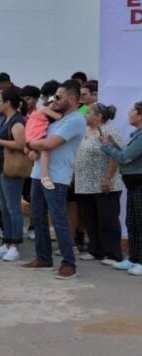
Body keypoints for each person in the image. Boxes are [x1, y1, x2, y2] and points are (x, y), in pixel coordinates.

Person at [22, 80, 88, 280]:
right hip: (37, 174)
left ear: (72, 98)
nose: (54, 100)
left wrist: (30, 144)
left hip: (57, 177)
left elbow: (50, 144)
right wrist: (32, 146)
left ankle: (69, 263)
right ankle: (43, 257)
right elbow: (39, 141)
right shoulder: (56, 120)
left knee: (59, 220)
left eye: (58, 97)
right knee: (38, 218)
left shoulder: (75, 120)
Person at [73, 102, 125, 264]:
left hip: (104, 183)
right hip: (85, 183)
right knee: (90, 218)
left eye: (88, 112)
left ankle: (113, 253)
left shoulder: (109, 131)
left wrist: (107, 178)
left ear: (99, 116)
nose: (85, 114)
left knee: (107, 219)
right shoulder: (84, 131)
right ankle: (95, 250)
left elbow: (115, 156)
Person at [100, 101, 142, 275]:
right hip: (134, 185)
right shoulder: (136, 135)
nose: (129, 112)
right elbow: (126, 155)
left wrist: (106, 146)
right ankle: (133, 258)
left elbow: (124, 158)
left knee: (140, 223)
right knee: (132, 222)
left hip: (140, 184)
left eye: (133, 110)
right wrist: (113, 145)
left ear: (140, 115)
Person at [0, 90, 28, 262]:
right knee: (3, 207)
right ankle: (7, 241)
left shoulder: (17, 122)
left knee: (13, 207)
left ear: (8, 102)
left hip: (10, 168)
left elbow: (22, 144)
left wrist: (0, 141)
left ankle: (15, 244)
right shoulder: (1, 119)